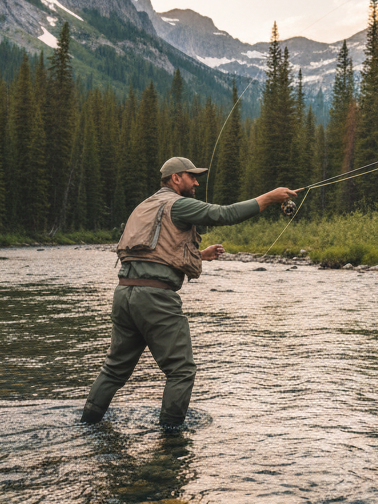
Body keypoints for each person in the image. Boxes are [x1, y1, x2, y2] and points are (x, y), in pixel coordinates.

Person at [81, 156, 297, 428]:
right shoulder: (178, 203)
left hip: (124, 295)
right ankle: (170, 441)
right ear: (175, 179)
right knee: (181, 372)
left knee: (113, 370)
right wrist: (269, 198)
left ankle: (87, 424)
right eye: (191, 176)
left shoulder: (145, 206)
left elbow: (153, 251)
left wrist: (198, 255)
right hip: (155, 299)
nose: (196, 181)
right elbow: (224, 214)